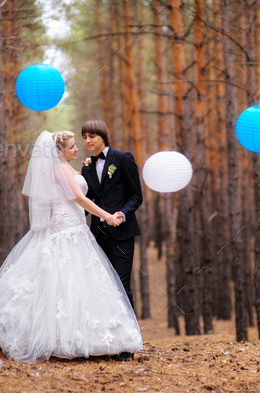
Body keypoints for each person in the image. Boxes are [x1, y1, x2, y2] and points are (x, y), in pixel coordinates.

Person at [0, 130, 143, 363]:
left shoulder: (67, 167)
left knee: (82, 283)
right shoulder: (60, 169)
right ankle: (61, 338)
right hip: (66, 228)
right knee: (63, 282)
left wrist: (87, 168)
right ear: (58, 151)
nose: (76, 149)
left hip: (76, 228)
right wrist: (108, 216)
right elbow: (80, 199)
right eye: (72, 146)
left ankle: (85, 335)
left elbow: (85, 187)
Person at [80, 120, 143, 361]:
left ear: (103, 136)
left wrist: (123, 214)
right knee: (103, 288)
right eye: (85, 136)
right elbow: (88, 202)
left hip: (122, 234)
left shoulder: (123, 158)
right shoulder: (87, 168)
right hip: (97, 236)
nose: (88, 141)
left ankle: (127, 346)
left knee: (121, 286)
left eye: (92, 136)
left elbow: (136, 196)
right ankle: (106, 341)